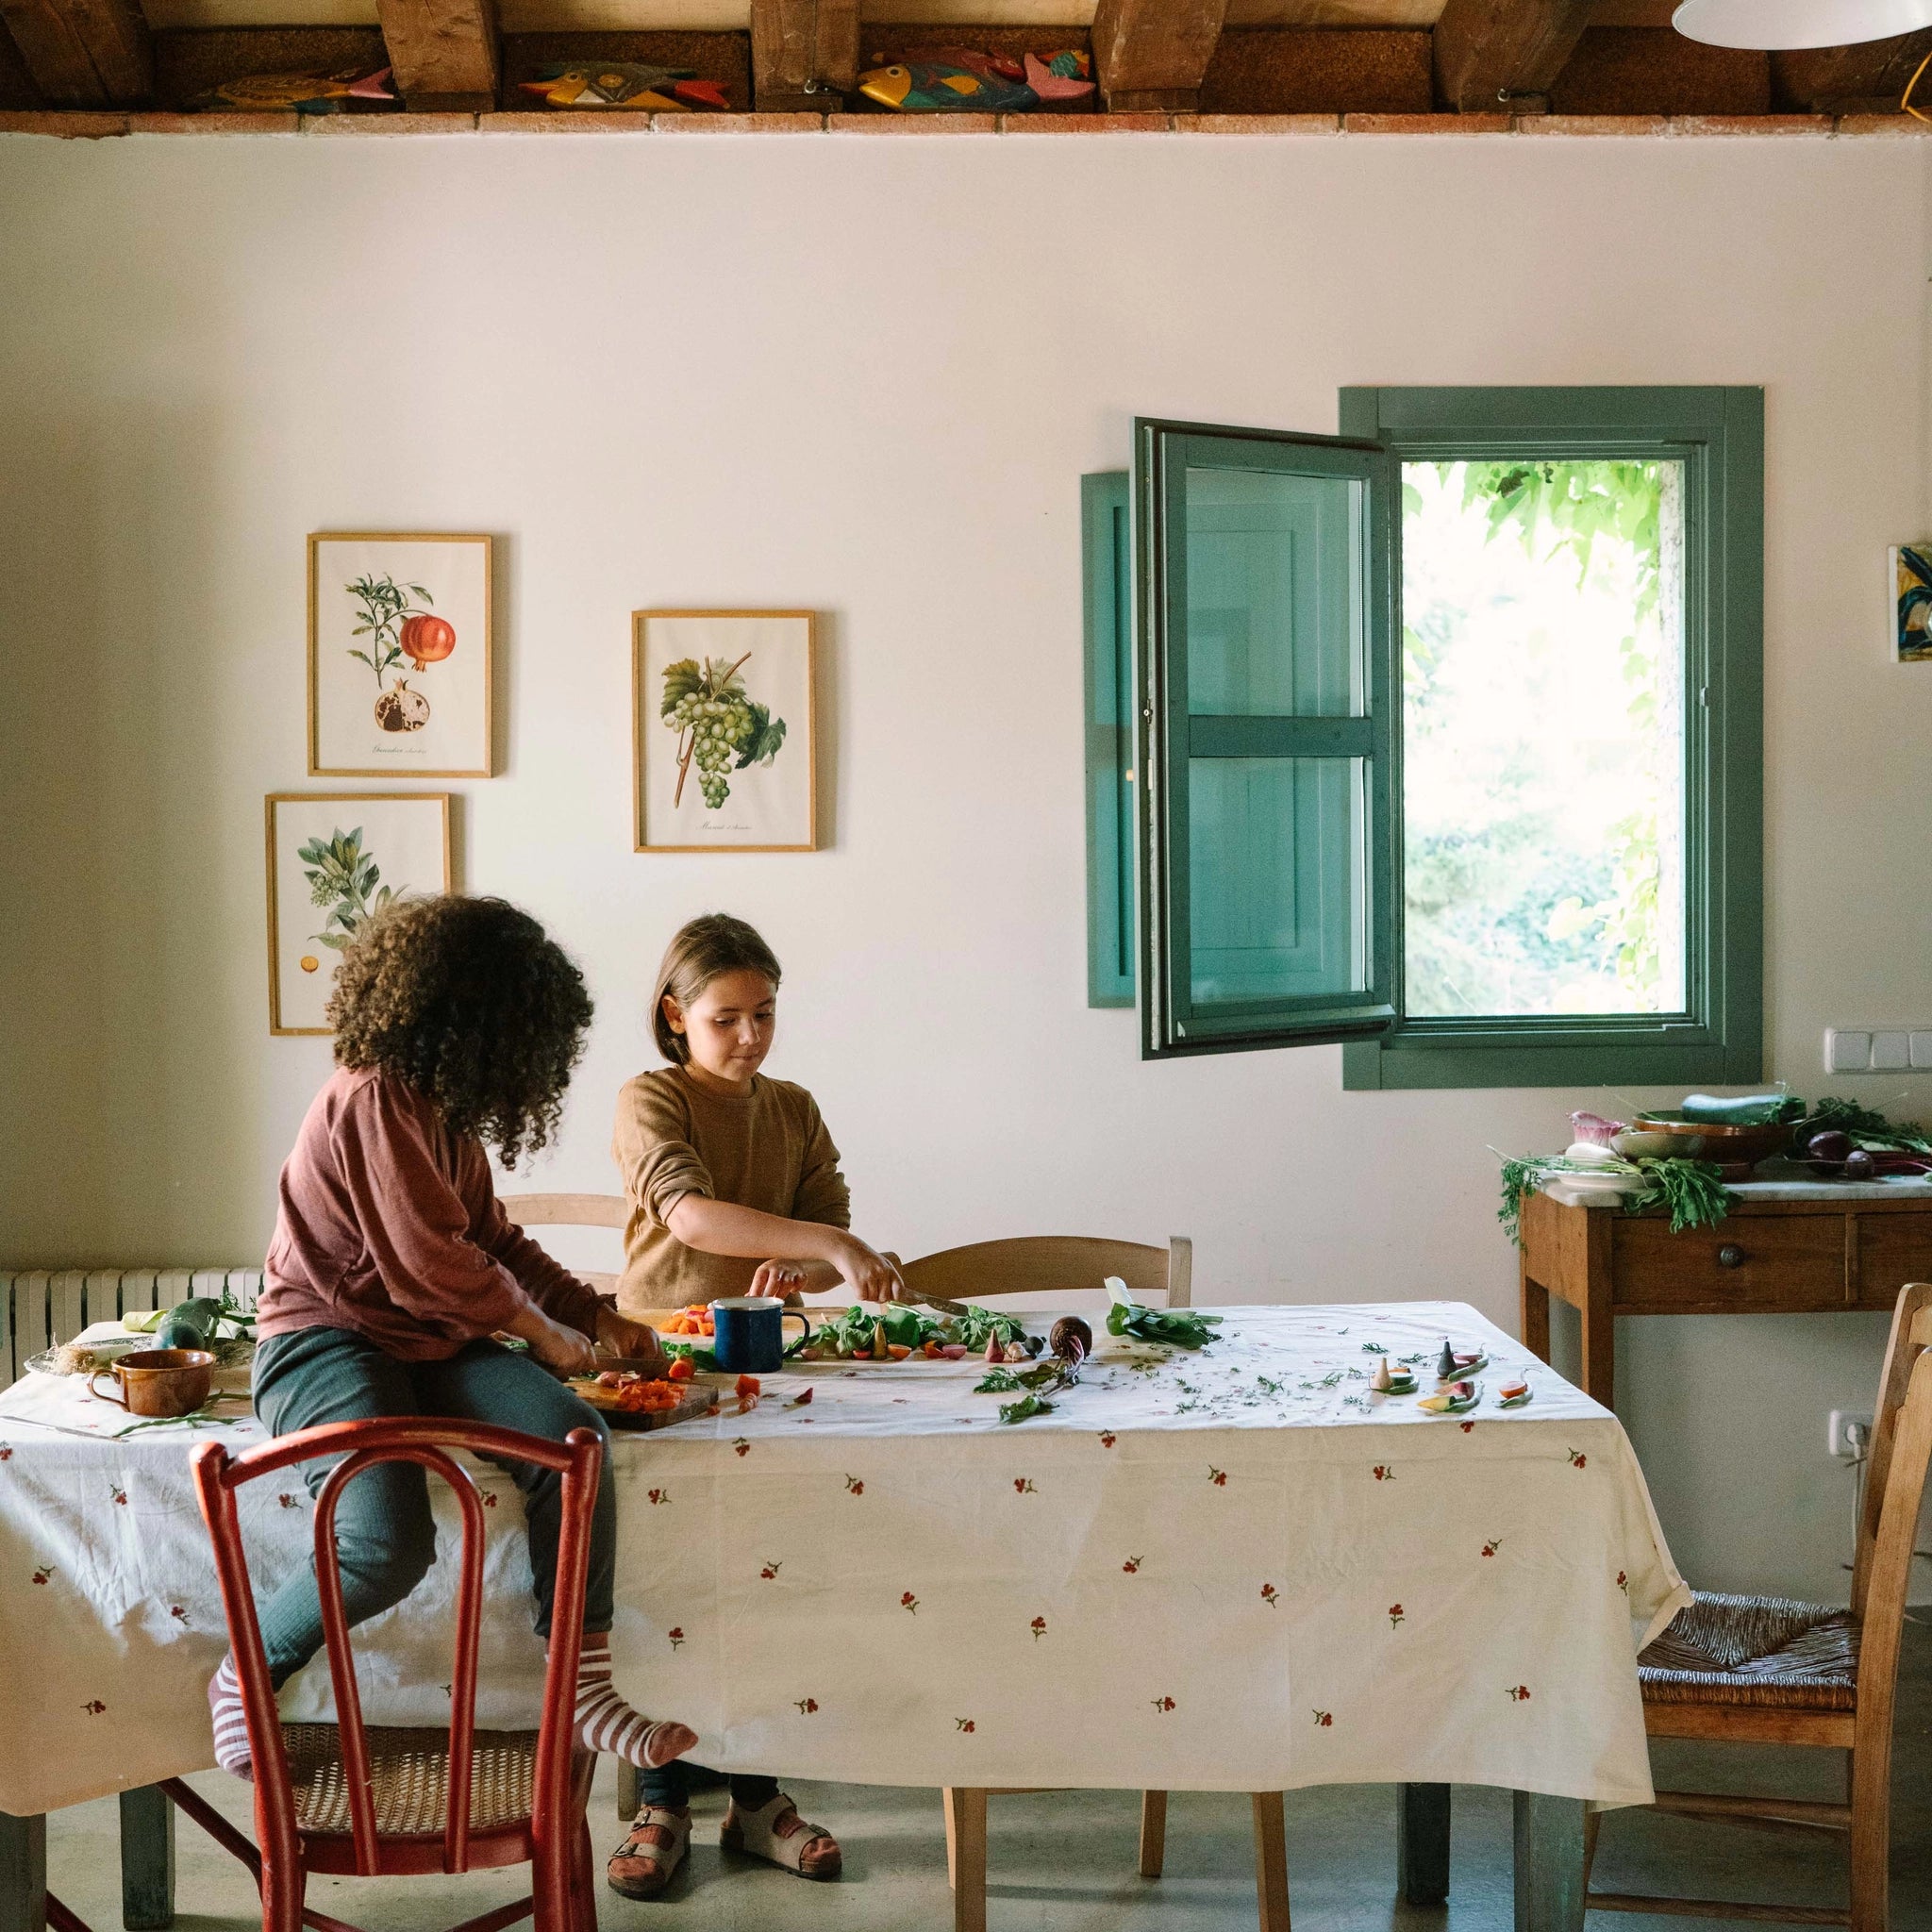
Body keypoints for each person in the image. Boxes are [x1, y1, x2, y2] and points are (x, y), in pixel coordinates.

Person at [211, 894, 697, 1802]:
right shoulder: (371, 1098)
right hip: (323, 1339)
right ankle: (246, 1668)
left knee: (574, 1444)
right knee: (386, 1542)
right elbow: (432, 1268)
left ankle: (583, 1687)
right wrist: (548, 1335)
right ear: (474, 1022)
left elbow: (495, 1244)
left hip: (428, 1341)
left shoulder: (446, 1113)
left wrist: (596, 1317)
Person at [604, 911, 903, 1896]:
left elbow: (825, 1224)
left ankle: (754, 1796)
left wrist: (807, 1270)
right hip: (662, 1373)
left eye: (763, 1013)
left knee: (764, 1568)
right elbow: (687, 1212)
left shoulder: (795, 1105)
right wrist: (834, 1248)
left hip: (764, 1376)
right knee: (664, 1578)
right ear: (673, 1015)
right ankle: (660, 1797)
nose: (749, 1035)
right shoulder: (649, 1098)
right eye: (725, 1016)